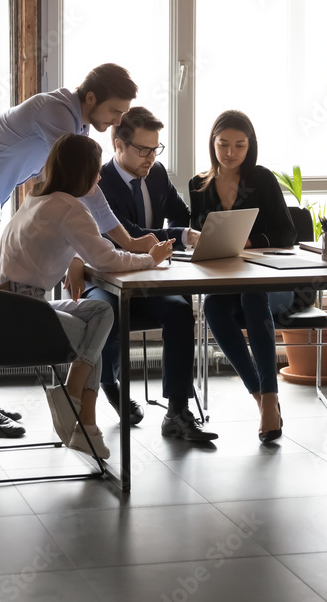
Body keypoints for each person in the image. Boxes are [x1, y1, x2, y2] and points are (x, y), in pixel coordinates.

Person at [0, 64, 157, 437]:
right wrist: (129, 243)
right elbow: (84, 188)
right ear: (91, 98)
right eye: (115, 111)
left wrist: (79, 254)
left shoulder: (76, 122)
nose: (118, 120)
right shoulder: (56, 113)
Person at [0, 134, 174, 458]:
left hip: (1, 310)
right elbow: (108, 259)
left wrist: (77, 258)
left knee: (98, 318)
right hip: (22, 317)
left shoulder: (37, 198)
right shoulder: (69, 207)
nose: (100, 177)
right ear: (82, 172)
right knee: (99, 320)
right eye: (95, 171)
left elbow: (73, 248)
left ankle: (86, 423)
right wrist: (150, 259)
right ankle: (72, 398)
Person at [79, 107, 217, 442]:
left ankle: (177, 412)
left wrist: (205, 226)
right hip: (106, 279)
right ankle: (110, 384)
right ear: (118, 144)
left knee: (181, 310)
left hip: (148, 281)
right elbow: (128, 233)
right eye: (143, 149)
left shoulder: (156, 174)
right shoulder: (99, 182)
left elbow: (181, 214)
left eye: (156, 149)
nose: (150, 157)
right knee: (104, 313)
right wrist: (181, 235)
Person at [188, 110, 297, 442]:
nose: (231, 152)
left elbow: (287, 235)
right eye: (223, 144)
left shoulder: (262, 179)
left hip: (269, 283)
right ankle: (261, 397)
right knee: (212, 309)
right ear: (212, 144)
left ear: (251, 146)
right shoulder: (198, 184)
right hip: (225, 281)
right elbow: (197, 232)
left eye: (239, 145)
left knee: (254, 295)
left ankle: (271, 399)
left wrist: (249, 241)